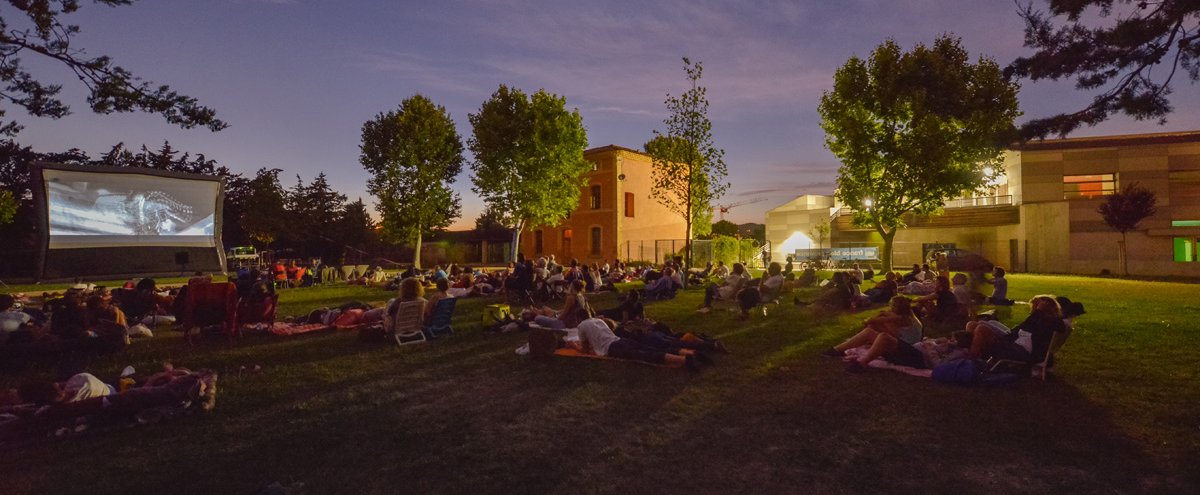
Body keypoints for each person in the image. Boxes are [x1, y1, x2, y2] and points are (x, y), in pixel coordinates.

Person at [822, 296, 925, 372]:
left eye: (891, 305)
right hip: (903, 344)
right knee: (870, 331)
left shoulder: (902, 318)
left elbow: (874, 320)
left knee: (881, 334)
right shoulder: (907, 316)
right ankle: (837, 350)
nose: (890, 307)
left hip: (908, 350)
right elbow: (883, 318)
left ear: (897, 307)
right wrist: (881, 315)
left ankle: (861, 364)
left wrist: (872, 319)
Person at [572, 317, 699, 369]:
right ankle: (686, 353)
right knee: (649, 349)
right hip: (620, 340)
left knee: (644, 355)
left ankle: (684, 360)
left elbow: (584, 350)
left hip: (611, 348)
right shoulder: (598, 320)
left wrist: (574, 346)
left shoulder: (581, 326)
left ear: (578, 318)